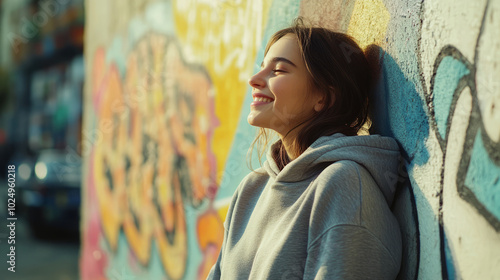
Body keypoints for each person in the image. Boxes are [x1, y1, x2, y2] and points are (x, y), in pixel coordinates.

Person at [207, 18, 402, 279]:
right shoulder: (250, 190)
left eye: (278, 71)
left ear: (324, 97)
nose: (254, 79)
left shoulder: (342, 185)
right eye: (261, 67)